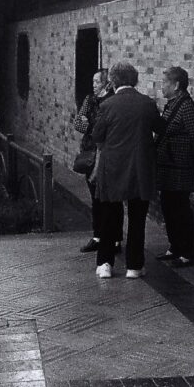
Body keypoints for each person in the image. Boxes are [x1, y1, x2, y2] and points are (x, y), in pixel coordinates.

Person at [89, 62, 159, 279]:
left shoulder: (107, 105)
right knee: (137, 219)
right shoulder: (147, 103)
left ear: (113, 81)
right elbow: (161, 129)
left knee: (109, 217)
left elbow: (97, 136)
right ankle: (134, 266)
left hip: (112, 168)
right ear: (135, 80)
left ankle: (105, 264)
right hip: (140, 168)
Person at [152, 66, 194, 268]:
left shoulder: (186, 107)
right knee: (169, 207)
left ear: (176, 85)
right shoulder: (172, 104)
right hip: (168, 165)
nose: (161, 87)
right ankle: (175, 247)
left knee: (180, 209)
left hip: (179, 166)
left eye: (165, 83)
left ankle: (187, 252)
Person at [73, 69, 118, 254]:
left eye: (97, 82)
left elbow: (104, 128)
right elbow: (78, 122)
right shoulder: (90, 100)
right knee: (95, 197)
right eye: (93, 81)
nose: (93, 85)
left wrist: (90, 124)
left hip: (105, 153)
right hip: (90, 152)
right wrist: (94, 126)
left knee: (111, 199)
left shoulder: (112, 101)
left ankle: (115, 239)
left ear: (107, 84)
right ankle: (98, 236)